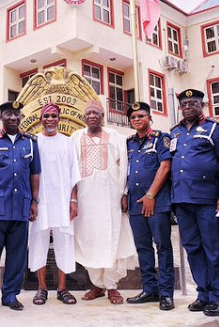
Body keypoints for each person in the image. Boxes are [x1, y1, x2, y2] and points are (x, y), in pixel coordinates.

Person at [71, 99, 137, 305]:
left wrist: (124, 193)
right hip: (85, 199)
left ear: (102, 116)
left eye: (96, 113)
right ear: (84, 116)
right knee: (89, 239)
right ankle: (96, 285)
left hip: (110, 198)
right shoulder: (75, 137)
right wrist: (72, 198)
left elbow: (124, 166)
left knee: (111, 238)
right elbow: (71, 170)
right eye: (88, 112)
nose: (92, 115)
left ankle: (111, 286)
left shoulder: (116, 137)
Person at [170, 89, 219, 316]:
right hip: (183, 200)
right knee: (193, 248)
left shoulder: (215, 128)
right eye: (184, 104)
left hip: (208, 200)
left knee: (214, 250)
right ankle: (203, 293)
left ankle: (217, 297)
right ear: (180, 107)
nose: (188, 106)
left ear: (202, 105)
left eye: (193, 103)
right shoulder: (174, 133)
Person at [0, 101, 41, 312]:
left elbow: (34, 173)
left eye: (16, 114)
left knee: (17, 255)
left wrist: (34, 201)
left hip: (20, 206)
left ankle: (11, 294)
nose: (13, 117)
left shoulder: (31, 142)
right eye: (9, 114)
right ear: (1, 117)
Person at [124, 102, 175, 311]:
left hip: (157, 203)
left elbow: (165, 166)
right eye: (134, 117)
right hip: (136, 203)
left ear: (149, 118)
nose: (137, 119)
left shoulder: (161, 139)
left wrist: (151, 195)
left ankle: (166, 294)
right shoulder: (129, 143)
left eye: (141, 115)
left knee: (162, 247)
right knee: (143, 248)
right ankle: (150, 290)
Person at [28, 103, 80, 306]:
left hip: (63, 201)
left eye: (53, 116)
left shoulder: (67, 143)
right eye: (46, 116)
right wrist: (32, 201)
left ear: (59, 119)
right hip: (39, 202)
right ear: (41, 119)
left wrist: (73, 200)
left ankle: (62, 288)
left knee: (64, 242)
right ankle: (41, 288)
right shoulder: (33, 142)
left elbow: (73, 173)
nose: (50, 119)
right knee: (38, 242)